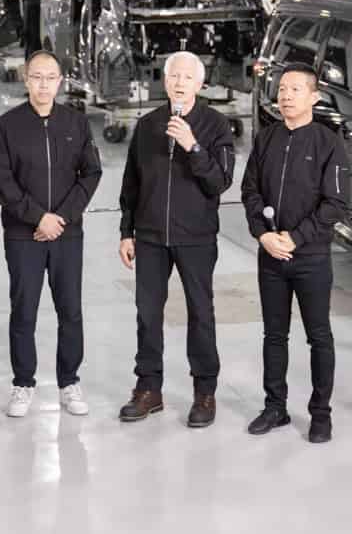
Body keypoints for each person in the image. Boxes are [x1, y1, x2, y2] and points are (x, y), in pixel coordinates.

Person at [117, 51, 235, 427]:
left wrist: (192, 146)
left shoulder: (216, 125)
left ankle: (204, 393)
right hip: (150, 237)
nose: (180, 82)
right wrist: (126, 231)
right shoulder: (149, 124)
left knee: (201, 314)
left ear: (200, 84)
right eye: (174, 76)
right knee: (147, 315)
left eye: (188, 77)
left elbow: (220, 181)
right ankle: (148, 389)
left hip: (196, 237)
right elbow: (132, 182)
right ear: (165, 81)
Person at [0, 51, 102, 418]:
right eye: (36, 77)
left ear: (60, 81)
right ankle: (23, 384)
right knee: (24, 310)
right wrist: (38, 218)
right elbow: (1, 183)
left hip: (67, 235)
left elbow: (91, 173)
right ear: (26, 80)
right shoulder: (7, 126)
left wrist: (61, 219)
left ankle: (69, 382)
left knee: (70, 310)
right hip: (24, 236)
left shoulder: (76, 123)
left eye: (50, 77)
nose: (43, 84)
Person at [240, 65, 348, 444]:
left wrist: (296, 237)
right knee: (274, 335)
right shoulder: (266, 138)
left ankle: (321, 414)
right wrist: (263, 235)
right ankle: (275, 407)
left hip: (311, 257)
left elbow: (335, 204)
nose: (285, 95)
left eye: (295, 89)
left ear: (314, 98)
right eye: (282, 89)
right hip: (270, 255)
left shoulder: (328, 143)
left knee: (319, 336)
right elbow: (250, 190)